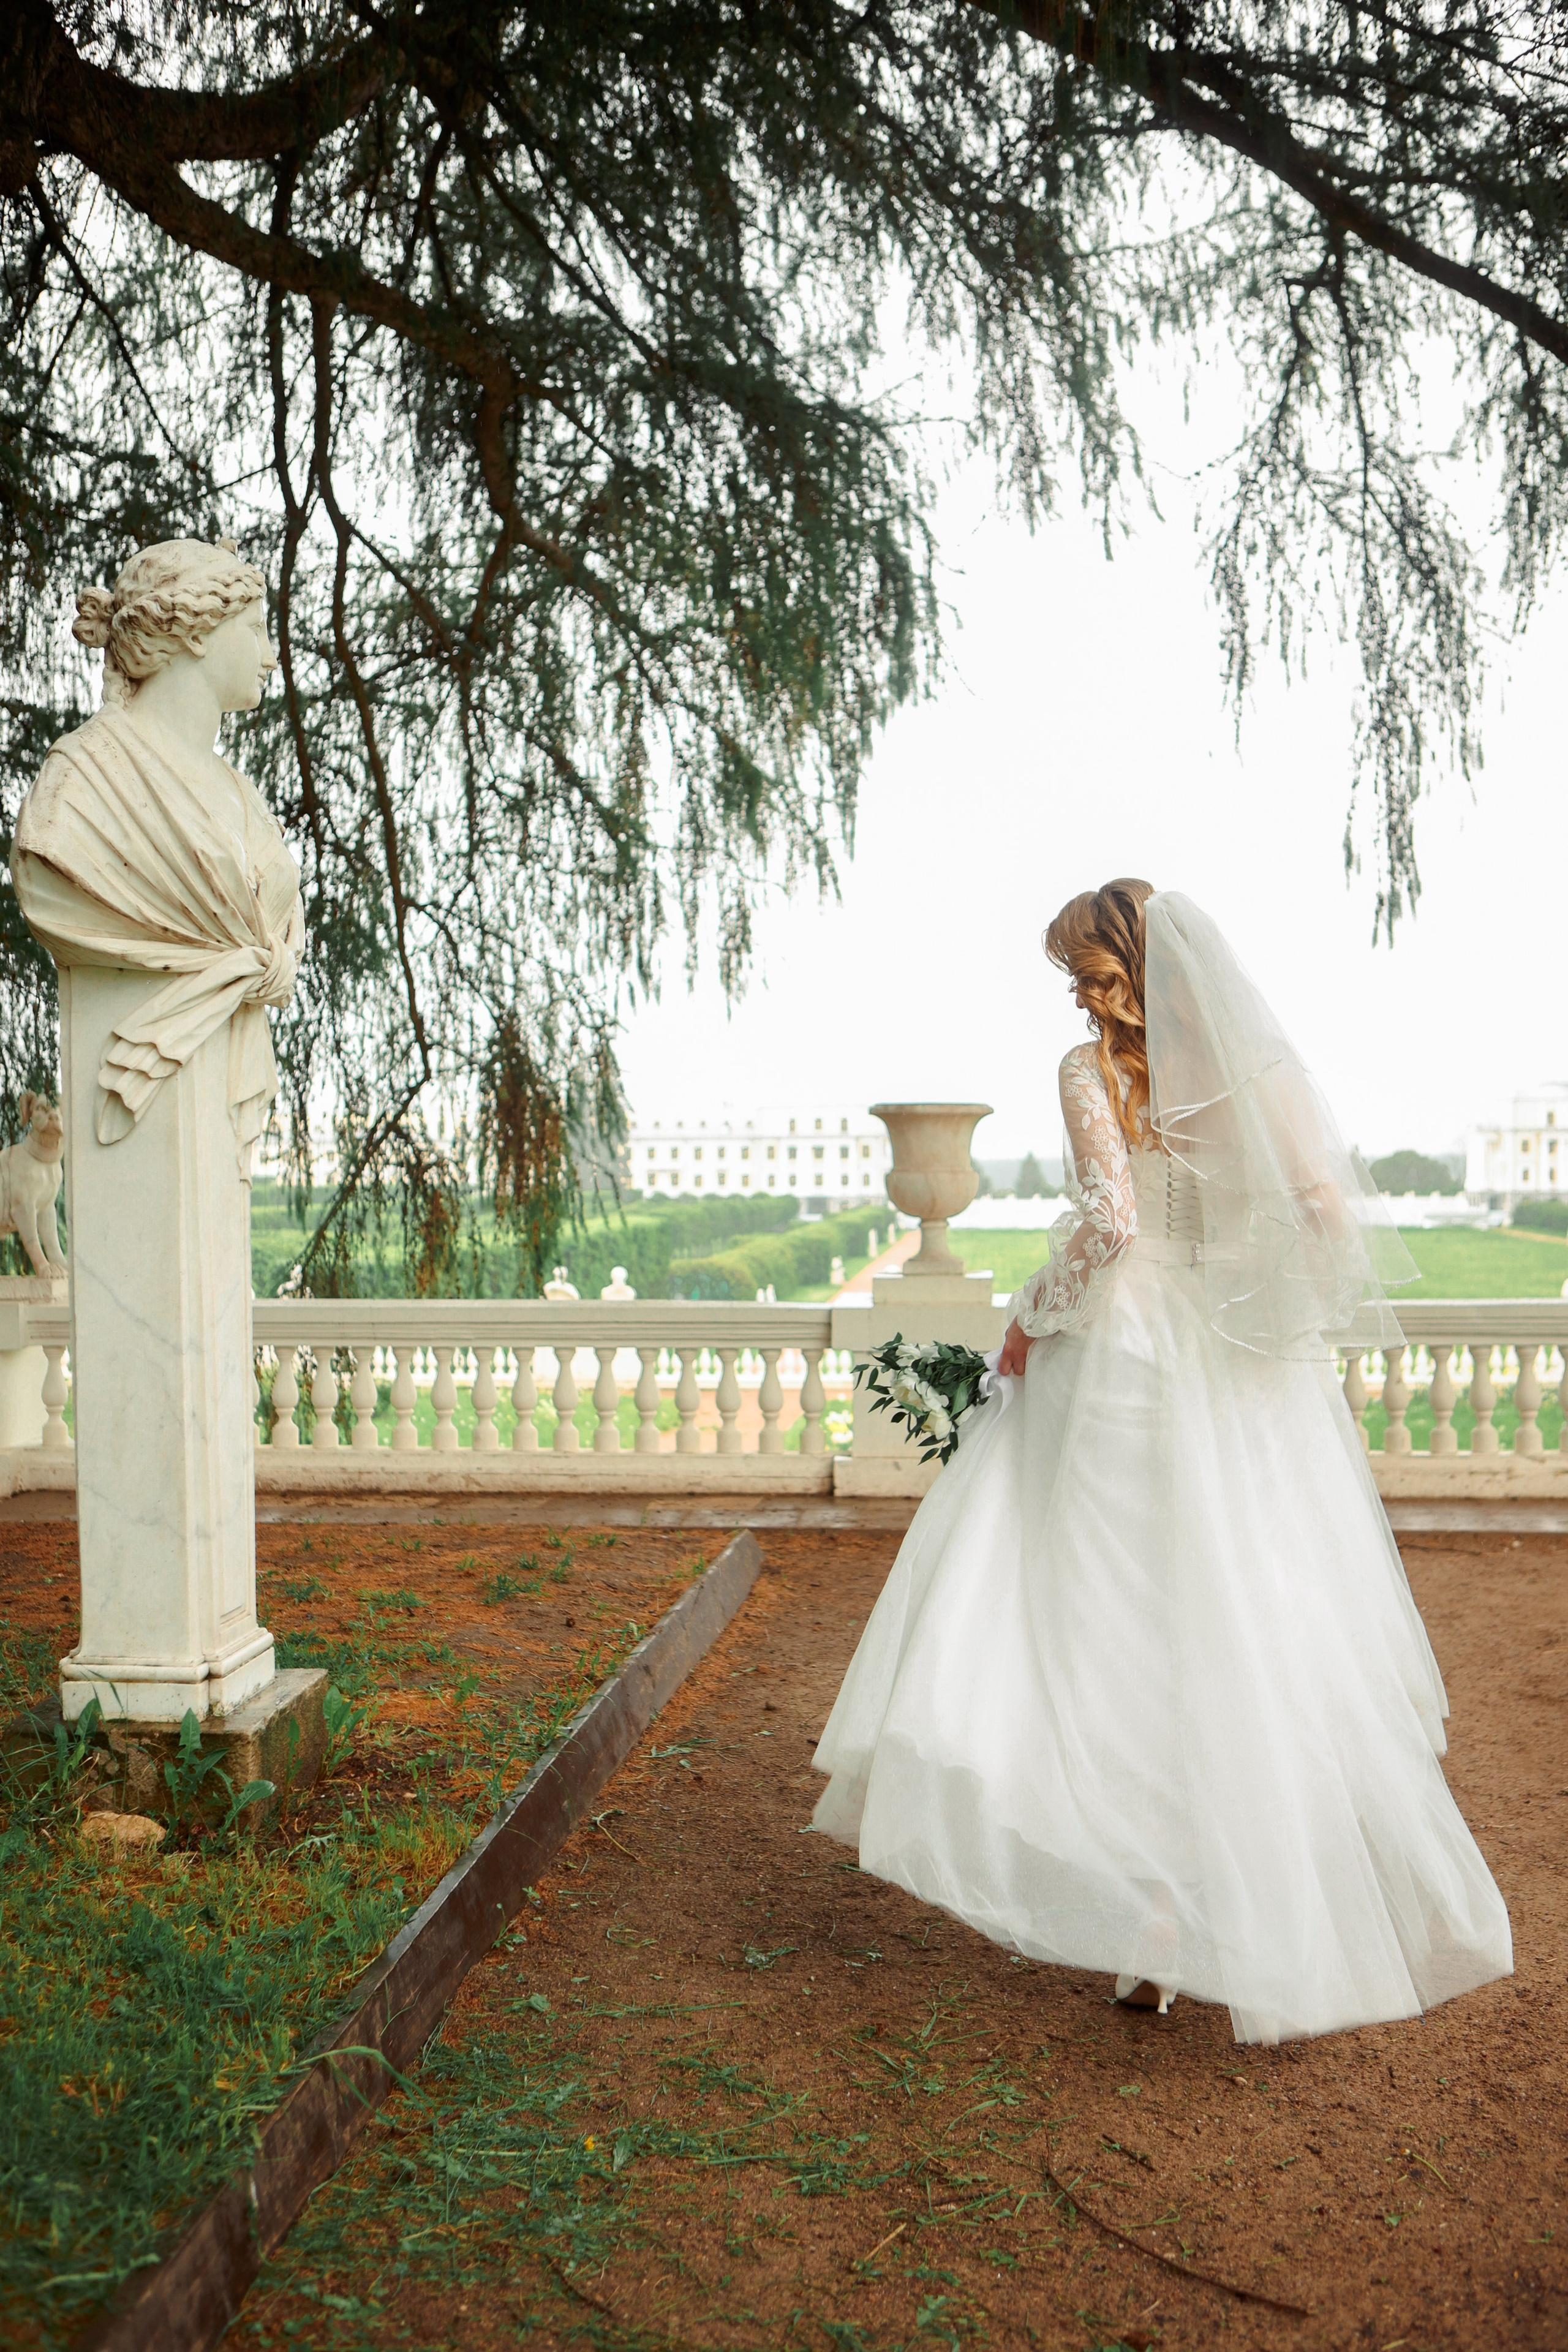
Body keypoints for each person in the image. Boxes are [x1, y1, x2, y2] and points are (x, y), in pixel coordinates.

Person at [812, 881, 1512, 2045]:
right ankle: (1228, 1905)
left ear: (1126, 968)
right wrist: (1257, 1301)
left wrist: (1031, 1317)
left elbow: (1112, 1226)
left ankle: (1152, 1915)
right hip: (1239, 1371)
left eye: (1085, 972)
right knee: (1236, 1619)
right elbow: (1324, 1213)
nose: (1080, 997)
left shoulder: (1090, 1072)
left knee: (1105, 1624)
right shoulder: (1251, 1069)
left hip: (1125, 1361)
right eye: (1072, 979)